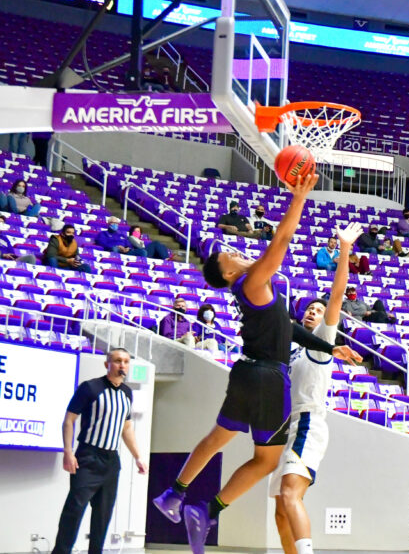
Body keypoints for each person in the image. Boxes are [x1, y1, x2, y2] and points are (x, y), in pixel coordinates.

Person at [152, 174, 355, 554]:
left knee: (218, 437)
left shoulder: (252, 291)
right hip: (267, 378)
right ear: (228, 272)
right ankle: (208, 509)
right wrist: (299, 199)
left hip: (246, 371)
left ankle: (174, 494)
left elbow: (288, 330)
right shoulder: (253, 280)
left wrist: (330, 348)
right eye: (225, 255)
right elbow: (280, 242)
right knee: (266, 461)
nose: (230, 250)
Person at [272, 224, 363, 554]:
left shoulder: (322, 342)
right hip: (288, 427)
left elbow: (336, 295)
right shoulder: (294, 347)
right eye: (309, 307)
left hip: (308, 424)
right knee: (281, 511)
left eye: (318, 309)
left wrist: (344, 250)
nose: (313, 310)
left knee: (290, 496)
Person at [54, 348, 146, 554]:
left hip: (112, 460)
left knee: (103, 515)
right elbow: (69, 420)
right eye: (117, 361)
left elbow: (127, 427)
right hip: (88, 456)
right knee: (74, 510)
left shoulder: (127, 393)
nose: (122, 365)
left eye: (126, 361)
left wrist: (138, 456)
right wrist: (68, 451)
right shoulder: (90, 387)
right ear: (107, 364)